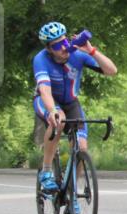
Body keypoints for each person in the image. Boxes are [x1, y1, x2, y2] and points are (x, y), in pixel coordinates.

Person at [33, 22, 117, 201]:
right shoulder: (41, 59)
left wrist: (91, 50)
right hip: (46, 100)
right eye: (57, 45)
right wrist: (52, 111)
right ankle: (46, 171)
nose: (63, 47)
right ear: (49, 49)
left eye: (64, 42)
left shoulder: (77, 56)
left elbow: (112, 71)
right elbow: (45, 90)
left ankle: (70, 192)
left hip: (71, 102)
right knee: (59, 120)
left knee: (82, 146)